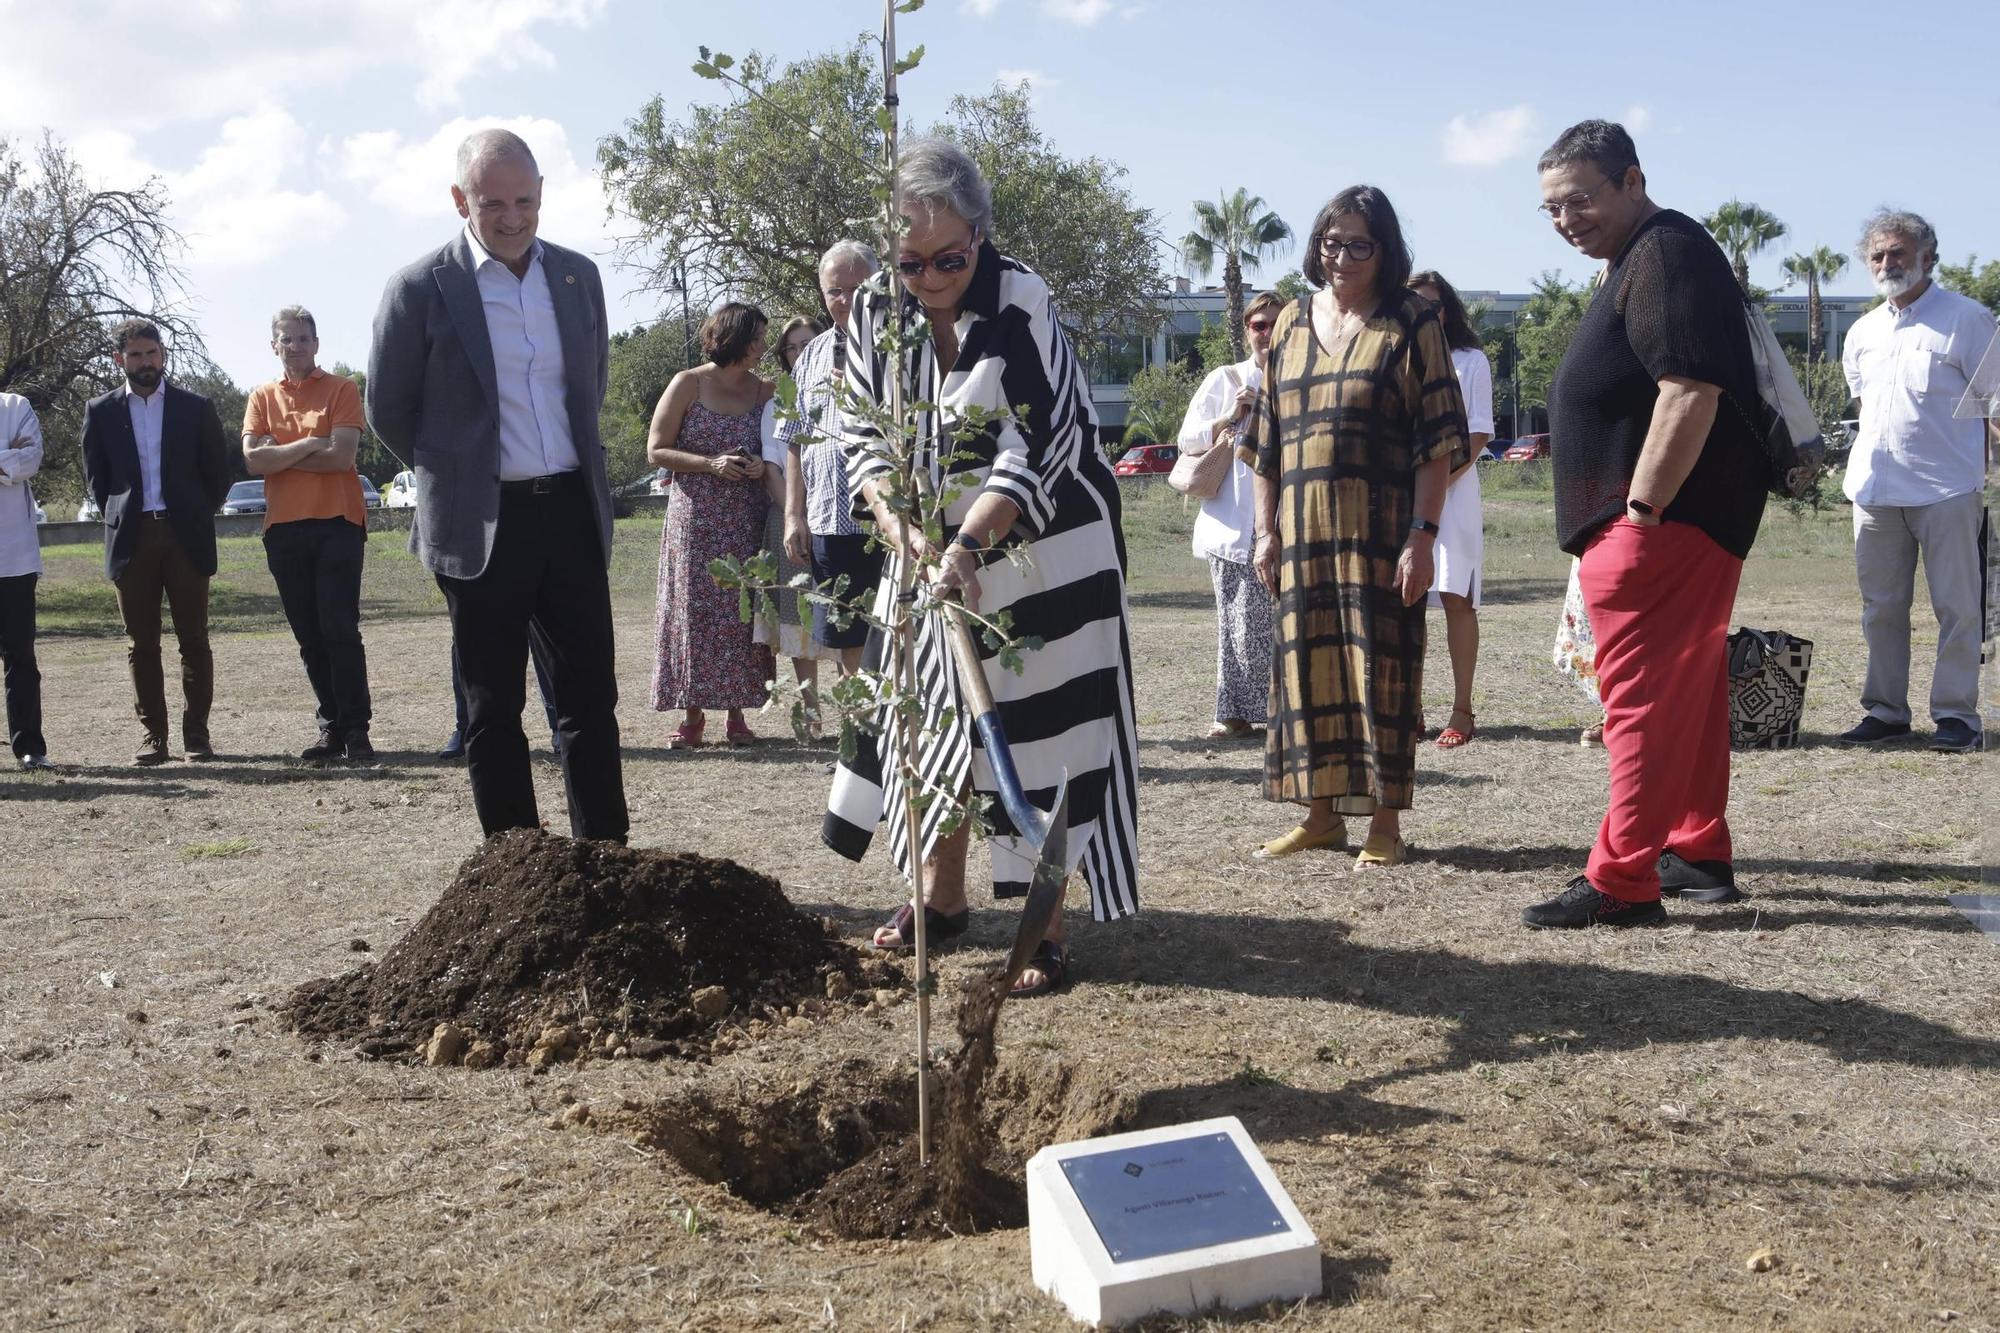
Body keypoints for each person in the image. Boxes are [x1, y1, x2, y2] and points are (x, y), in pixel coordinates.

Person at [823, 138, 1140, 999]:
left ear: (981, 235)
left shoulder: (1020, 301)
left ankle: (1045, 928)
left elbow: (1035, 444)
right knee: (924, 717)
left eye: (949, 259)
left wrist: (969, 547)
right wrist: (899, 526)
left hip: (1043, 550)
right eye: (911, 260)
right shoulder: (877, 310)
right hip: (924, 546)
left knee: (1037, 729)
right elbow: (861, 436)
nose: (929, 278)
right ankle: (941, 897)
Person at [1522, 119, 1766, 929]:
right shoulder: (1642, 256)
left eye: (1581, 199)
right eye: (1553, 208)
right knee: (1687, 697)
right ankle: (1695, 848)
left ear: (1632, 180)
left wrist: (1641, 509)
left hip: (1666, 522)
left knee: (1641, 704)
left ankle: (1623, 881)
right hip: (1673, 522)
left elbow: (1690, 388)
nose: (1567, 219)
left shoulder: (1665, 249)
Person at [366, 128, 628, 843]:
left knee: (587, 701)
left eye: (526, 201)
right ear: (460, 201)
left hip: (571, 510)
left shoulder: (577, 278)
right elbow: (388, 410)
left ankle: (603, 858)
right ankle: (517, 865)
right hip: (482, 524)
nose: (513, 217)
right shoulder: (420, 288)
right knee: (492, 705)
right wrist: (453, 468)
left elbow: (591, 384)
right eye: (493, 203)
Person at [1246, 186, 1469, 869]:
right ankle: (1319, 817)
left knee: (1383, 672)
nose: (1342, 257)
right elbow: (1266, 440)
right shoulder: (1286, 324)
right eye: (1331, 242)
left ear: (1385, 250)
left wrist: (1423, 536)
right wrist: (1265, 530)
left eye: (1359, 244)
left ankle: (1385, 822)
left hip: (1381, 538)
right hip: (1304, 538)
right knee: (1308, 677)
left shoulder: (1411, 320)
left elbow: (1437, 441)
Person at [1836, 208, 1995, 754]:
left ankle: (1956, 717)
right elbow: (1865, 407)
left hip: (1948, 490)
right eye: (1877, 255)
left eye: (1898, 253)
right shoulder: (1861, 332)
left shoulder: (1969, 320)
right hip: (1875, 493)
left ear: (1927, 257)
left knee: (1957, 607)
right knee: (1880, 609)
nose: (1887, 263)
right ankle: (1885, 713)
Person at [80, 318, 232, 766]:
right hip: (132, 538)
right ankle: (153, 736)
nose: (146, 363)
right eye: (136, 355)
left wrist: (193, 510)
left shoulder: (195, 407)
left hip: (185, 535)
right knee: (141, 643)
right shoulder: (100, 411)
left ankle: (196, 735)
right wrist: (124, 513)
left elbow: (217, 475)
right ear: (119, 360)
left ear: (163, 354)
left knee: (194, 639)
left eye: (152, 353)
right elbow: (98, 481)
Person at [242, 306, 375, 762]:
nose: (295, 346)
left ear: (316, 344)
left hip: (337, 522)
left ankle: (356, 728)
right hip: (283, 529)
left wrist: (281, 454)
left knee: (339, 627)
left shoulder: (342, 389)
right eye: (286, 339)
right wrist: (310, 443)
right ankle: (330, 728)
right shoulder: (261, 396)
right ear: (274, 345)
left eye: (303, 338)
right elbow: (253, 461)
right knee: (308, 635)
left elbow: (342, 458)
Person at [647, 302, 775, 748]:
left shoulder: (765, 390)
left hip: (746, 516)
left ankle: (737, 714)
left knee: (740, 616)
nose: (763, 345)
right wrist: (709, 464)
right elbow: (657, 450)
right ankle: (692, 713)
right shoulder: (689, 383)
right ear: (734, 338)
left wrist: (761, 466)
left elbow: (780, 448)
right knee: (695, 612)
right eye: (756, 337)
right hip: (696, 518)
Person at [779, 241, 887, 682]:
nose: (844, 300)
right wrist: (793, 516)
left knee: (903, 634)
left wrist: (867, 395)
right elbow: (793, 440)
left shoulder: (905, 347)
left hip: (889, 523)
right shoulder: (812, 356)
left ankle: (903, 744)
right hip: (830, 521)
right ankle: (864, 744)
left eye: (855, 288)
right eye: (833, 291)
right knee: (847, 639)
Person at [1176, 290, 1280, 741]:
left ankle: (1281, 711)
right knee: (1234, 626)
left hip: (1283, 525)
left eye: (1277, 324)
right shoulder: (1225, 378)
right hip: (1230, 527)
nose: (1268, 333)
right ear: (1246, 331)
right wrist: (1227, 416)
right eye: (1259, 325)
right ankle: (1232, 713)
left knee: (1280, 623)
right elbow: (1187, 440)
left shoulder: (1299, 380)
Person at [1408, 271, 1493, 748]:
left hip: (1454, 499)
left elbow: (1477, 435)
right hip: (1404, 499)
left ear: (1448, 310)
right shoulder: (1394, 357)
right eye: (1415, 306)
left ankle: (1462, 710)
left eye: (1433, 306)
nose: (1426, 315)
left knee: (1457, 599)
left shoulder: (1469, 360)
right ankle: (1411, 709)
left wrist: (1436, 489)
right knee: (1408, 600)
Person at [752, 313, 834, 733]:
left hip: (844, 522)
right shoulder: (777, 402)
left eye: (808, 343)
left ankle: (862, 718)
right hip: (795, 521)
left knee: (846, 621)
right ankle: (812, 716)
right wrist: (796, 517)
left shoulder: (848, 388)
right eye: (792, 346)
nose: (800, 352)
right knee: (801, 621)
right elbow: (773, 465)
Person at [0, 392, 51, 770]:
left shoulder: (15, 407)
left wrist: (17, 460)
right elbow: (15, 462)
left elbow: (30, 459)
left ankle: (29, 748)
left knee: (20, 658)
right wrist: (6, 456)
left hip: (12, 556)